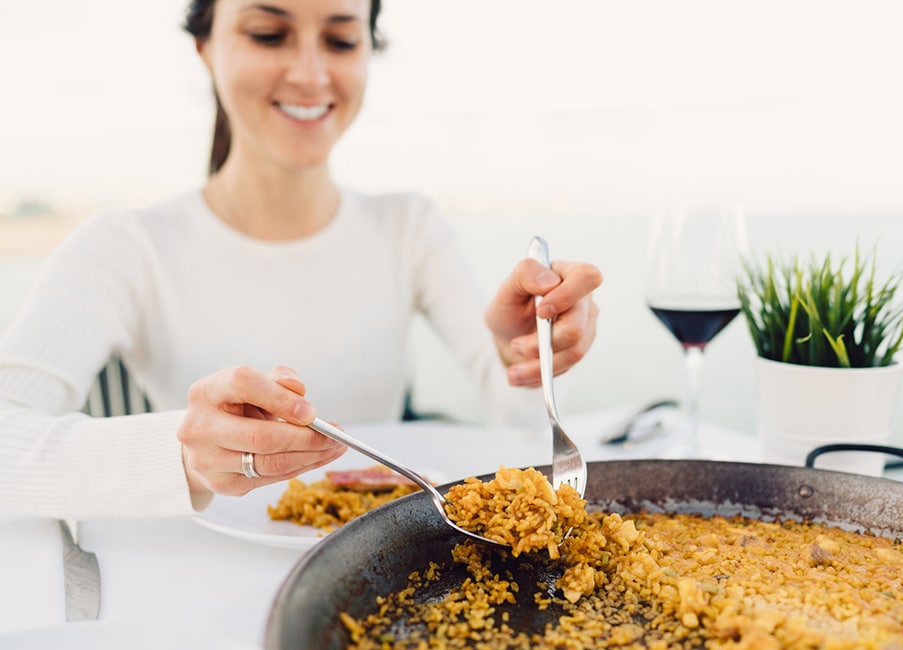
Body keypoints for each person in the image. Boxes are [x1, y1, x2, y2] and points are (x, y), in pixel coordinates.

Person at [0, 0, 602, 518]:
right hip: (198, 584)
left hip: (382, 584)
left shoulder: (408, 226)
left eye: (340, 40)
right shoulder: (124, 247)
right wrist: (183, 455)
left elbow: (516, 422)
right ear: (206, 48)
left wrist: (528, 360)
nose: (311, 74)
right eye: (269, 34)